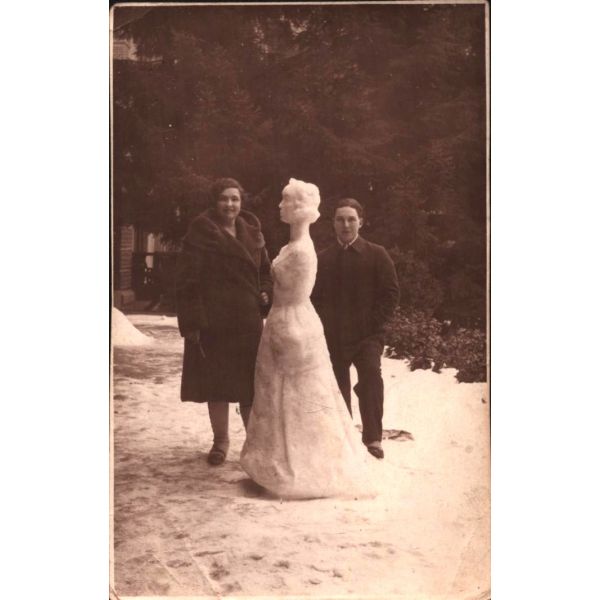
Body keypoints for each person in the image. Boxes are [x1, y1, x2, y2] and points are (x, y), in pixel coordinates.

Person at [240, 179, 374, 499]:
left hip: (293, 323)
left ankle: (302, 464)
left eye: (286, 201)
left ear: (300, 208)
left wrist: (286, 327)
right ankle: (275, 459)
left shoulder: (301, 250)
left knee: (298, 395)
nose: (280, 206)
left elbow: (295, 293)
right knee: (278, 392)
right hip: (283, 317)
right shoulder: (292, 246)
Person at [175, 177, 272, 466]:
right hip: (214, 322)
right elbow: (187, 281)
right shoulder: (200, 234)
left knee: (249, 386)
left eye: (235, 199)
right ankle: (220, 442)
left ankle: (254, 445)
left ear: (241, 202)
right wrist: (193, 322)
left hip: (247, 321)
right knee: (217, 386)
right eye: (224, 199)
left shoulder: (253, 234)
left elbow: (265, 272)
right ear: (214, 202)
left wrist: (266, 292)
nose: (229, 204)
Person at [311, 198, 399, 460]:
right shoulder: (323, 259)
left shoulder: (377, 254)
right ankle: (343, 436)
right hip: (334, 336)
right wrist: (324, 326)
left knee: (371, 376)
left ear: (361, 221)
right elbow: (313, 298)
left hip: (367, 335)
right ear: (333, 223)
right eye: (340, 219)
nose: (346, 225)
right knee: (336, 385)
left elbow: (390, 294)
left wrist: (372, 325)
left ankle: (373, 438)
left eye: (351, 219)